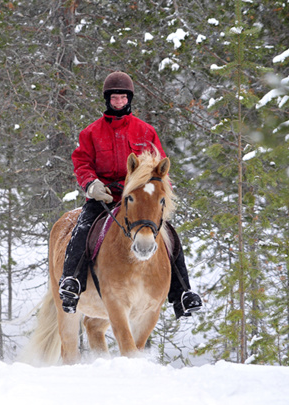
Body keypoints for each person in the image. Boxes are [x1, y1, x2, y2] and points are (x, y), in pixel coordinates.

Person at [58, 72, 203, 319]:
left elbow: (159, 167)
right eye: (114, 98)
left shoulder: (145, 131)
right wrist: (91, 184)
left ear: (129, 99)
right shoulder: (91, 132)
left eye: (122, 98)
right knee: (82, 230)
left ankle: (182, 294)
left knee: (170, 236)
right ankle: (72, 282)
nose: (118, 102)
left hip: (139, 200)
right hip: (104, 198)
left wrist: (157, 192)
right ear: (107, 100)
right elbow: (81, 162)